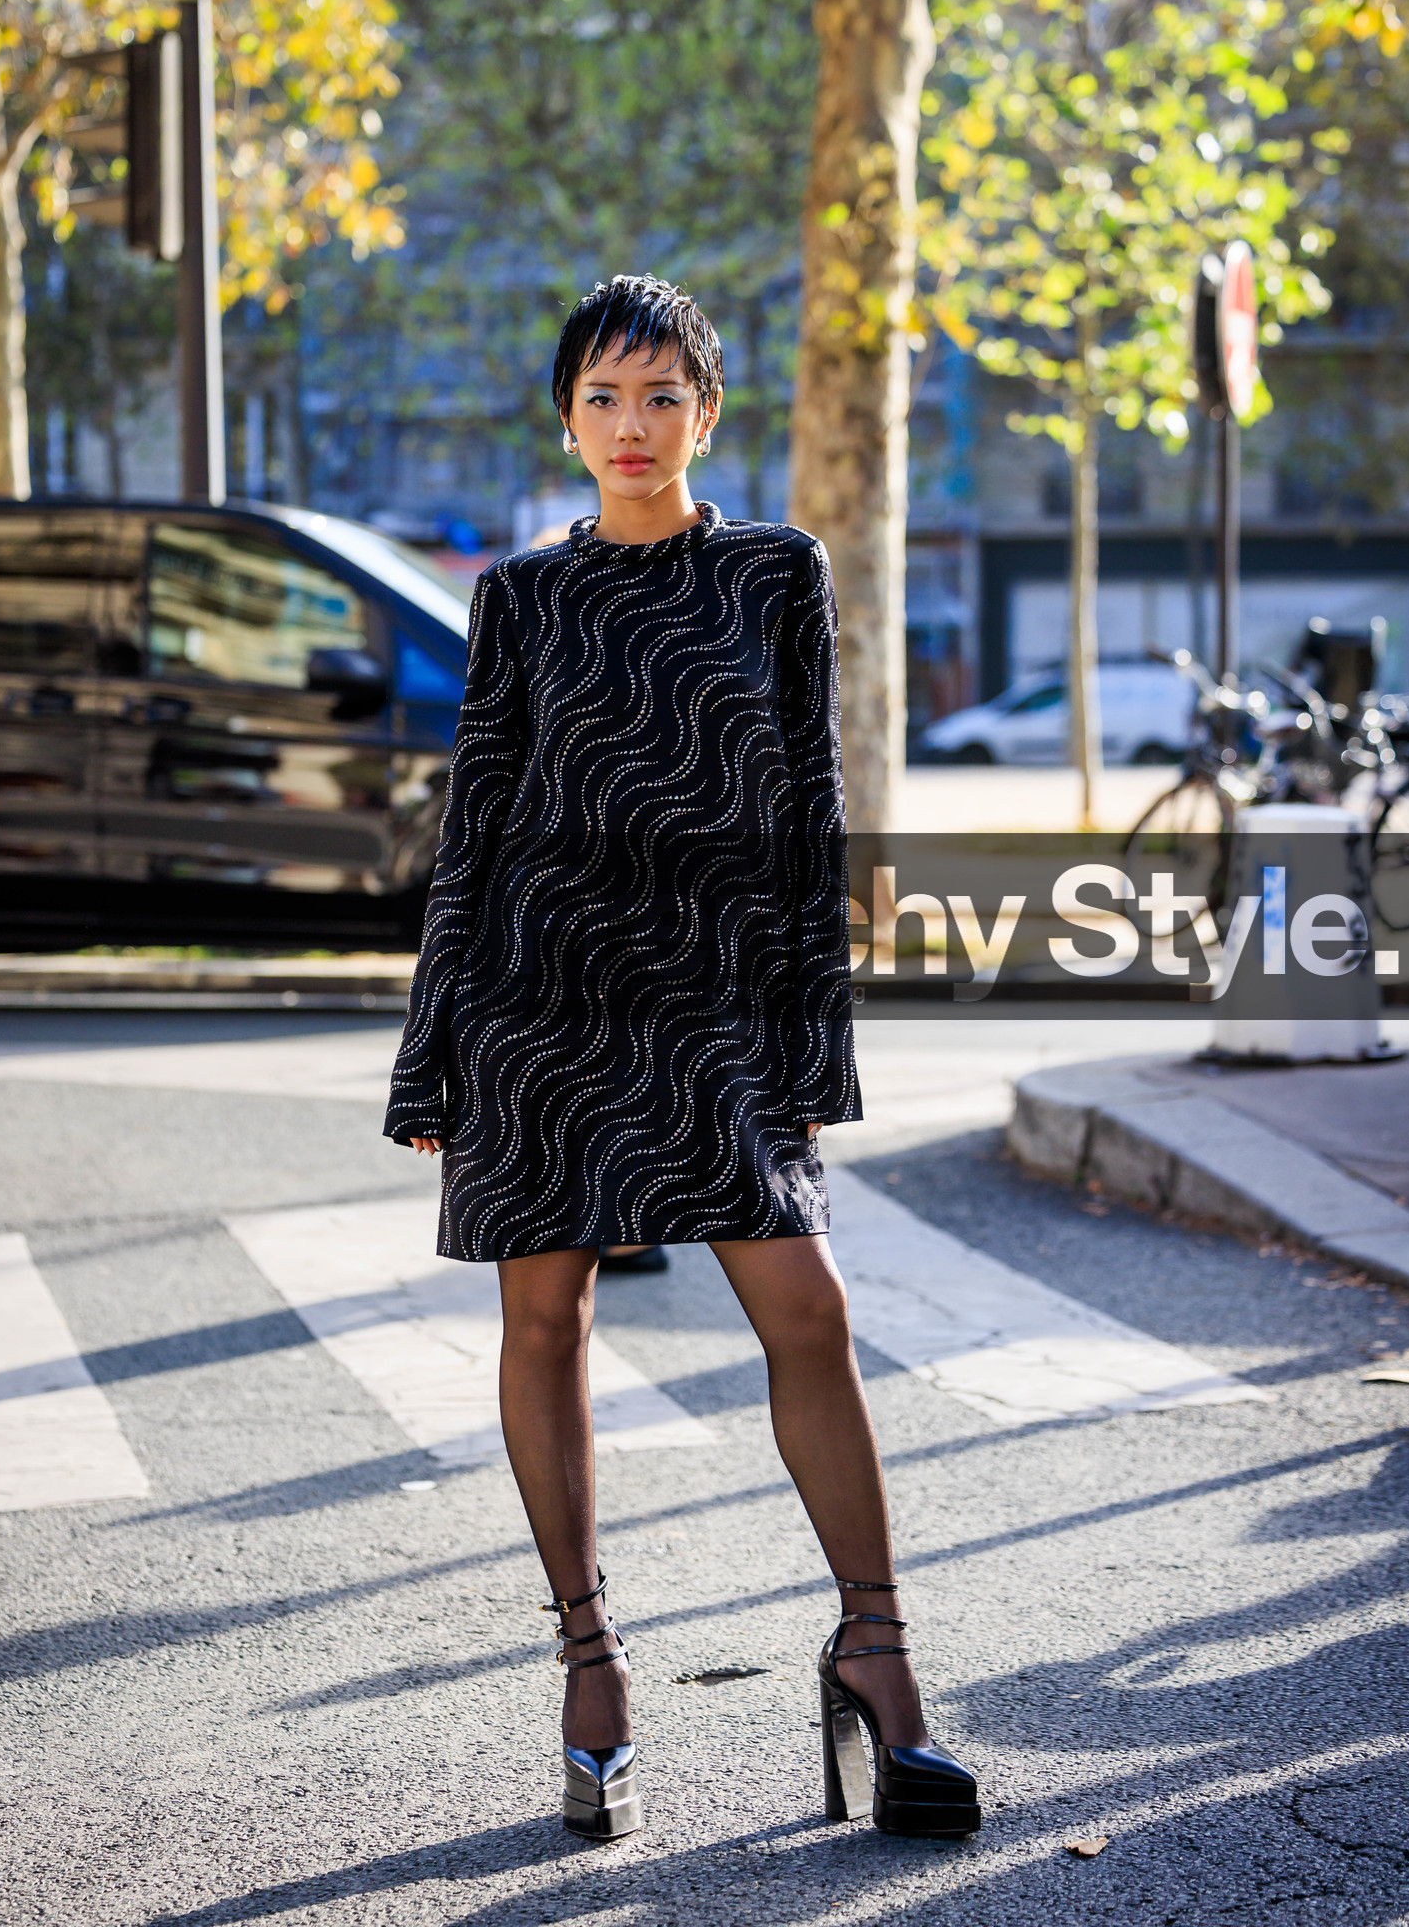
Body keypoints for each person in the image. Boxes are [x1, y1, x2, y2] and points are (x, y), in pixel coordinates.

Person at [384, 274, 979, 1844]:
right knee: (546, 1321)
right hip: (539, 1006)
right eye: (603, 398)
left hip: (715, 1006)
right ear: (566, 422)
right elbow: (477, 826)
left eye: (661, 396)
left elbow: (809, 815)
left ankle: (877, 1653)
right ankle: (590, 1671)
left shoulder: (777, 573)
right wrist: (430, 1054)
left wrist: (812, 1049)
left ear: (708, 412)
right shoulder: (522, 597)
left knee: (809, 1309)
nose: (631, 425)